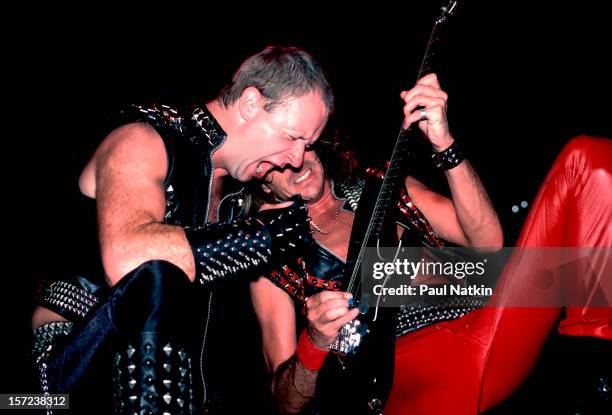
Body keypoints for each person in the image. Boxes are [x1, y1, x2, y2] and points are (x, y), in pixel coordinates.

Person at [31, 45, 333, 413]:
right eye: (292, 137)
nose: (297, 158)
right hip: (59, 383)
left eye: (308, 145)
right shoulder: (145, 139)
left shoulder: (237, 199)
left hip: (168, 390)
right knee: (156, 279)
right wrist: (261, 237)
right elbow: (129, 257)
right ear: (251, 103)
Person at [249, 73, 505, 414]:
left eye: (298, 142)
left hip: (484, 328)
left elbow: (488, 244)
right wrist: (314, 342)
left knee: (583, 162)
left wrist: (444, 144)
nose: (295, 161)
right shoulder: (272, 263)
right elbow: (287, 403)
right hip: (400, 383)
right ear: (262, 182)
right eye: (275, 159)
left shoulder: (385, 187)